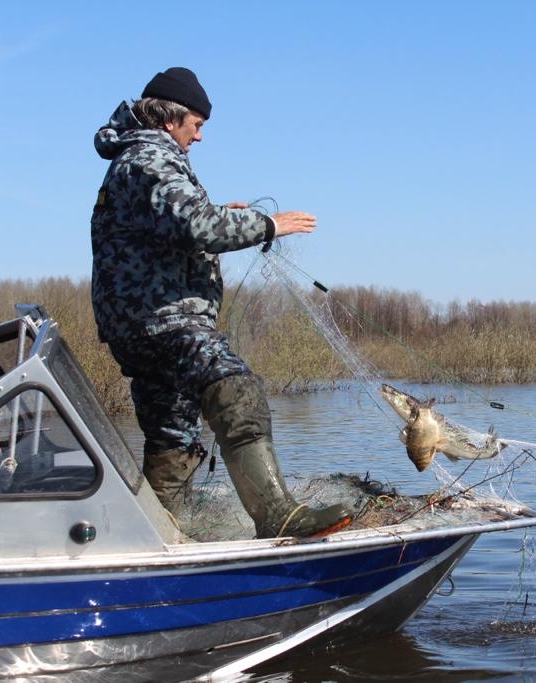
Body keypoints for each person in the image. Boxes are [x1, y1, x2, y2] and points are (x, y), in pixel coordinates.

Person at [90, 67, 352, 539]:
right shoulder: (150, 160)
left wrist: (219, 215)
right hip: (166, 321)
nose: (200, 135)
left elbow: (173, 229)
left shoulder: (133, 160)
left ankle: (158, 533)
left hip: (138, 326)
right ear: (171, 120)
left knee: (173, 432)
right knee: (236, 391)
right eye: (197, 123)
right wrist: (268, 224)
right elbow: (196, 227)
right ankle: (279, 516)